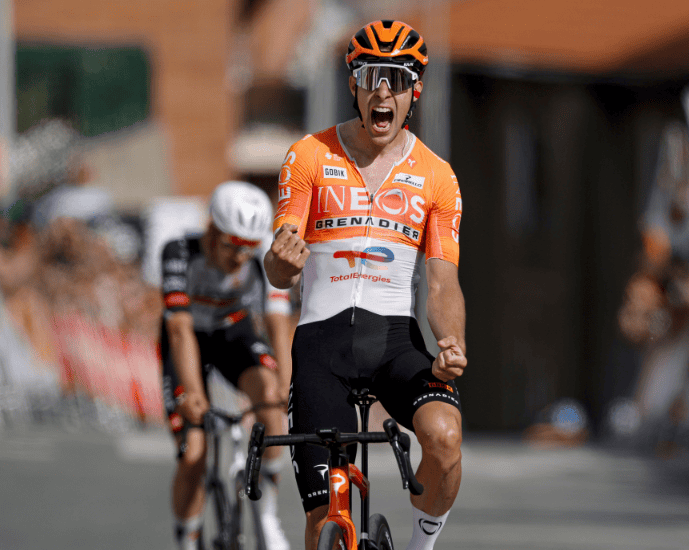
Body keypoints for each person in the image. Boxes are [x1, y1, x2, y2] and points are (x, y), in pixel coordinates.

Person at [265, 20, 466, 550]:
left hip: (395, 343)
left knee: (445, 437)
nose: (382, 93)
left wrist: (451, 342)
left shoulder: (437, 176)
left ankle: (421, 545)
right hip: (321, 345)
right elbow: (280, 267)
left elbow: (442, 282)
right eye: (371, 78)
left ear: (414, 92)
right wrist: (280, 262)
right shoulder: (309, 155)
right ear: (353, 85)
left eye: (395, 81)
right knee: (322, 520)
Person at [160, 180, 293, 550]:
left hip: (233, 332)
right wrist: (193, 394)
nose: (240, 256)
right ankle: (188, 540)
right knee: (194, 453)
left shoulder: (265, 256)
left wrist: (286, 382)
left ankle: (267, 517)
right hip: (188, 339)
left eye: (249, 247)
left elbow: (277, 320)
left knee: (270, 399)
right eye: (232, 244)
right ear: (212, 229)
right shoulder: (178, 252)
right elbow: (179, 329)